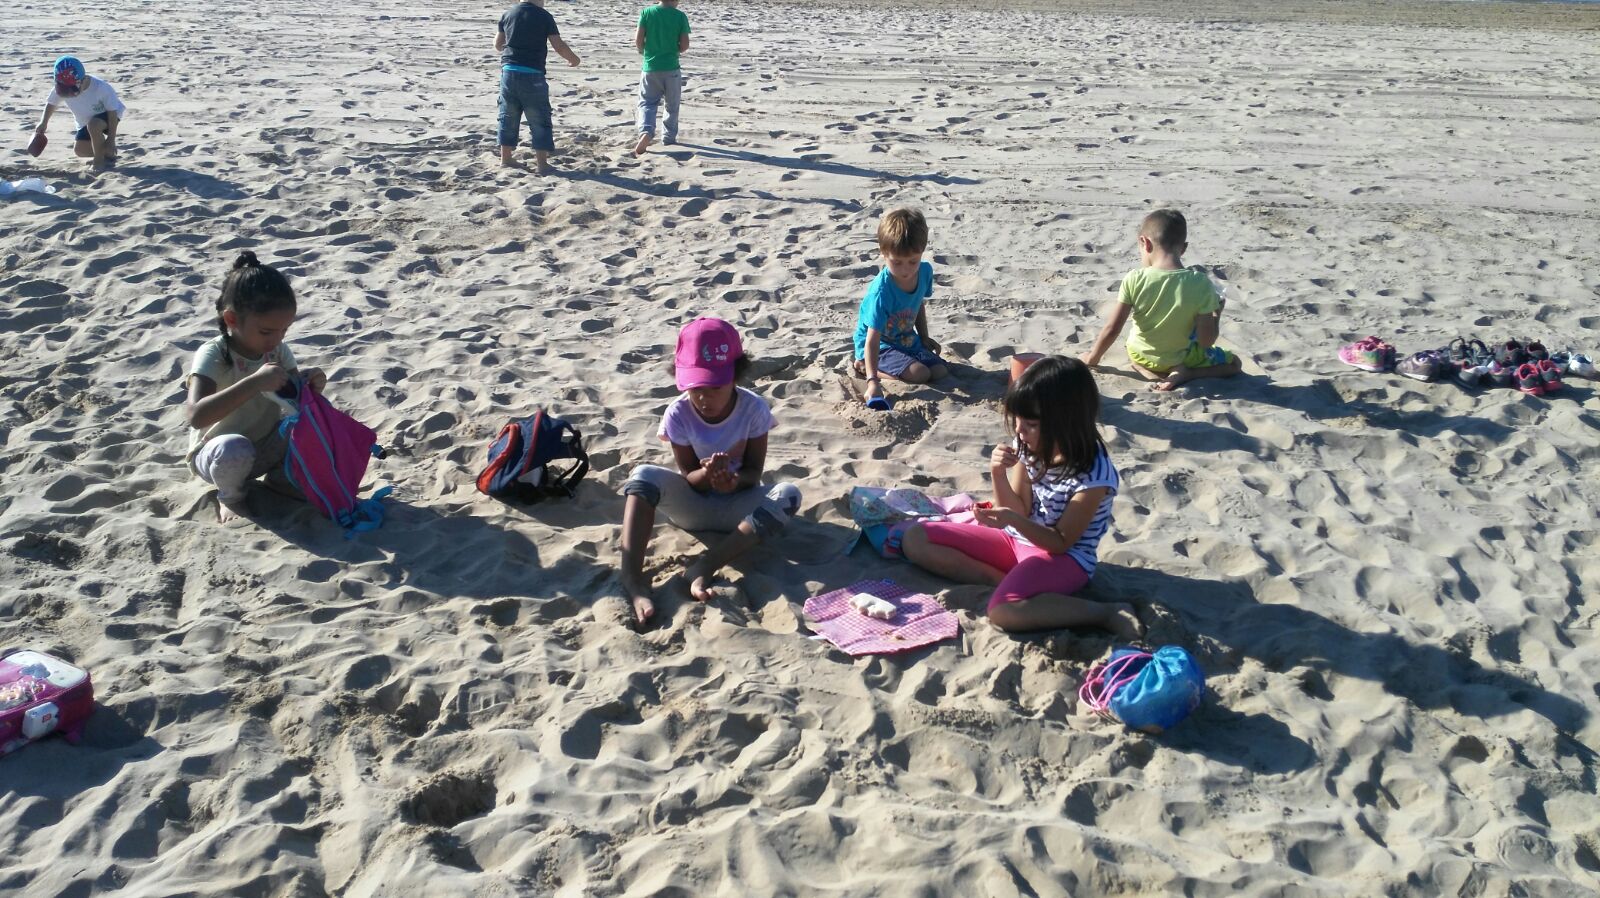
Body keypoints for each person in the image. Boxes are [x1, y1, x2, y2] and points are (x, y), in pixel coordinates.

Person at [900, 356, 1141, 639]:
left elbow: (1060, 542)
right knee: (915, 537)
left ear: (1065, 422)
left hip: (1064, 559)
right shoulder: (1029, 446)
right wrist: (997, 472)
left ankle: (1106, 612)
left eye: (1030, 423)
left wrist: (1013, 520)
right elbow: (1019, 508)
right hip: (1016, 542)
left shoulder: (1093, 475)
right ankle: (1002, 581)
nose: (1018, 430)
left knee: (1003, 612)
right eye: (1017, 419)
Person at [619, 317, 803, 629]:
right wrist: (707, 475)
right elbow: (689, 476)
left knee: (788, 494)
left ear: (736, 376)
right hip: (693, 508)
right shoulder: (678, 413)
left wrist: (733, 482)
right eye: (696, 388)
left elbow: (754, 472)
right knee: (642, 475)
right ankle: (632, 579)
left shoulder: (754, 408)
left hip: (739, 512)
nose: (704, 398)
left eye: (715, 387)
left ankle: (706, 565)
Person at [184, 253, 326, 523]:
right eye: (266, 332)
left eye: (284, 331)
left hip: (265, 448)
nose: (277, 339)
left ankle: (281, 481)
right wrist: (254, 382)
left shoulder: (278, 351)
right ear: (232, 319)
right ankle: (231, 498)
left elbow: (295, 400)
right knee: (234, 447)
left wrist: (310, 384)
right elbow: (196, 416)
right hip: (218, 455)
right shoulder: (214, 353)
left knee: (310, 421)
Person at [1079, 209, 1242, 391]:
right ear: (1184, 248)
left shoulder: (1134, 278)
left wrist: (1092, 358)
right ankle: (1187, 373)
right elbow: (1206, 342)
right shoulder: (1200, 283)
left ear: (1145, 243)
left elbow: (1113, 329)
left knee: (1134, 342)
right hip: (1180, 358)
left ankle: (1143, 367)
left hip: (1139, 354)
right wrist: (1216, 315)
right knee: (1235, 363)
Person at [852, 208, 949, 407]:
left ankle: (900, 363)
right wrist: (872, 382)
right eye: (897, 262)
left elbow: (918, 304)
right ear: (883, 254)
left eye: (913, 261)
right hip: (880, 345)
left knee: (940, 371)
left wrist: (924, 337)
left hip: (905, 339)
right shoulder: (881, 292)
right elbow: (872, 339)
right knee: (920, 374)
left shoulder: (924, 272)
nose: (906, 270)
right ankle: (864, 367)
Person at [495, 0, 581, 172]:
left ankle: (506, 158)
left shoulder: (508, 14)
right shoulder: (544, 16)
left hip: (508, 73)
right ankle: (542, 163)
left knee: (507, 115)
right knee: (539, 117)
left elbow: (498, 45)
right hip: (532, 74)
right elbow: (558, 45)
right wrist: (573, 59)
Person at [33, 56, 124, 170]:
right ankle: (106, 153)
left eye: (73, 90)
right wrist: (43, 122)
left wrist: (111, 139)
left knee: (94, 125)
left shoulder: (101, 88)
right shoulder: (62, 86)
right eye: (63, 91)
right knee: (80, 150)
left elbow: (112, 113)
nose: (69, 94)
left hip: (109, 115)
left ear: (84, 80)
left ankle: (99, 161)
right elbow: (51, 103)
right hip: (85, 120)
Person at [631, 0, 691, 156]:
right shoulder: (680, 16)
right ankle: (668, 137)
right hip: (671, 69)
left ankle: (646, 131)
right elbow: (685, 45)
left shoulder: (646, 13)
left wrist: (644, 52)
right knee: (672, 105)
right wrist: (674, 50)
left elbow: (638, 41)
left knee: (647, 103)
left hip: (650, 68)